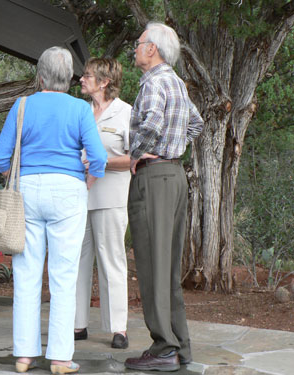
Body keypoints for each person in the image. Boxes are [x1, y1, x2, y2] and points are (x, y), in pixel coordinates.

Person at [0, 46, 107, 374]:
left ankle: (24, 356)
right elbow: (97, 158)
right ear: (69, 79)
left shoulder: (22, 105)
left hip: (28, 190)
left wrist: (13, 172)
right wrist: (87, 182)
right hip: (68, 190)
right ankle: (59, 358)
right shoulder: (80, 109)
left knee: (26, 275)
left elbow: (1, 157)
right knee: (64, 276)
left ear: (39, 76)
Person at [124, 22, 203, 372]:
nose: (136, 48)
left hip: (155, 178)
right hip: (174, 176)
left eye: (139, 43)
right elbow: (196, 123)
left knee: (153, 265)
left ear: (152, 48)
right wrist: (176, 147)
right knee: (167, 268)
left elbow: (153, 123)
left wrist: (137, 154)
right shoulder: (178, 83)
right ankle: (180, 345)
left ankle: (164, 348)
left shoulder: (155, 82)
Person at [74, 58, 131, 350]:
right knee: (77, 260)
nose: (82, 79)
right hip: (77, 198)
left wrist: (101, 161)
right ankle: (77, 323)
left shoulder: (126, 114)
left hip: (110, 198)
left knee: (111, 261)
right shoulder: (81, 110)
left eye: (87, 75)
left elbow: (133, 160)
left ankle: (118, 327)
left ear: (104, 81)